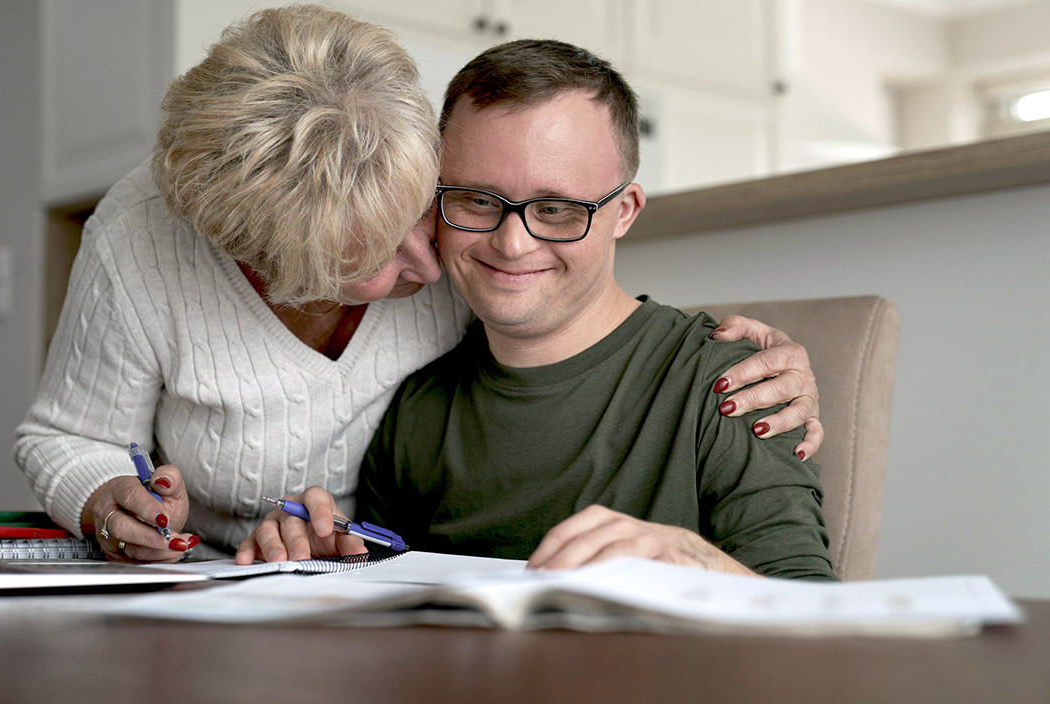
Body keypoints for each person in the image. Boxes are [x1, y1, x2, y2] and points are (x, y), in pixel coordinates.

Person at [15, 5, 823, 564]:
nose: (437, 259)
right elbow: (375, 560)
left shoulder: (720, 383)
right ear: (277, 265)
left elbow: (814, 620)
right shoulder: (417, 409)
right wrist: (124, 504)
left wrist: (753, 362)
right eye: (368, 255)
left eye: (427, 205)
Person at [248, 39, 836, 581]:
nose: (512, 244)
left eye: (556, 209)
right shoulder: (417, 406)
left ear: (624, 211)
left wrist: (693, 559)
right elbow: (382, 602)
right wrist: (322, 561)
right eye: (478, 200)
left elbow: (822, 628)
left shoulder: (736, 383)